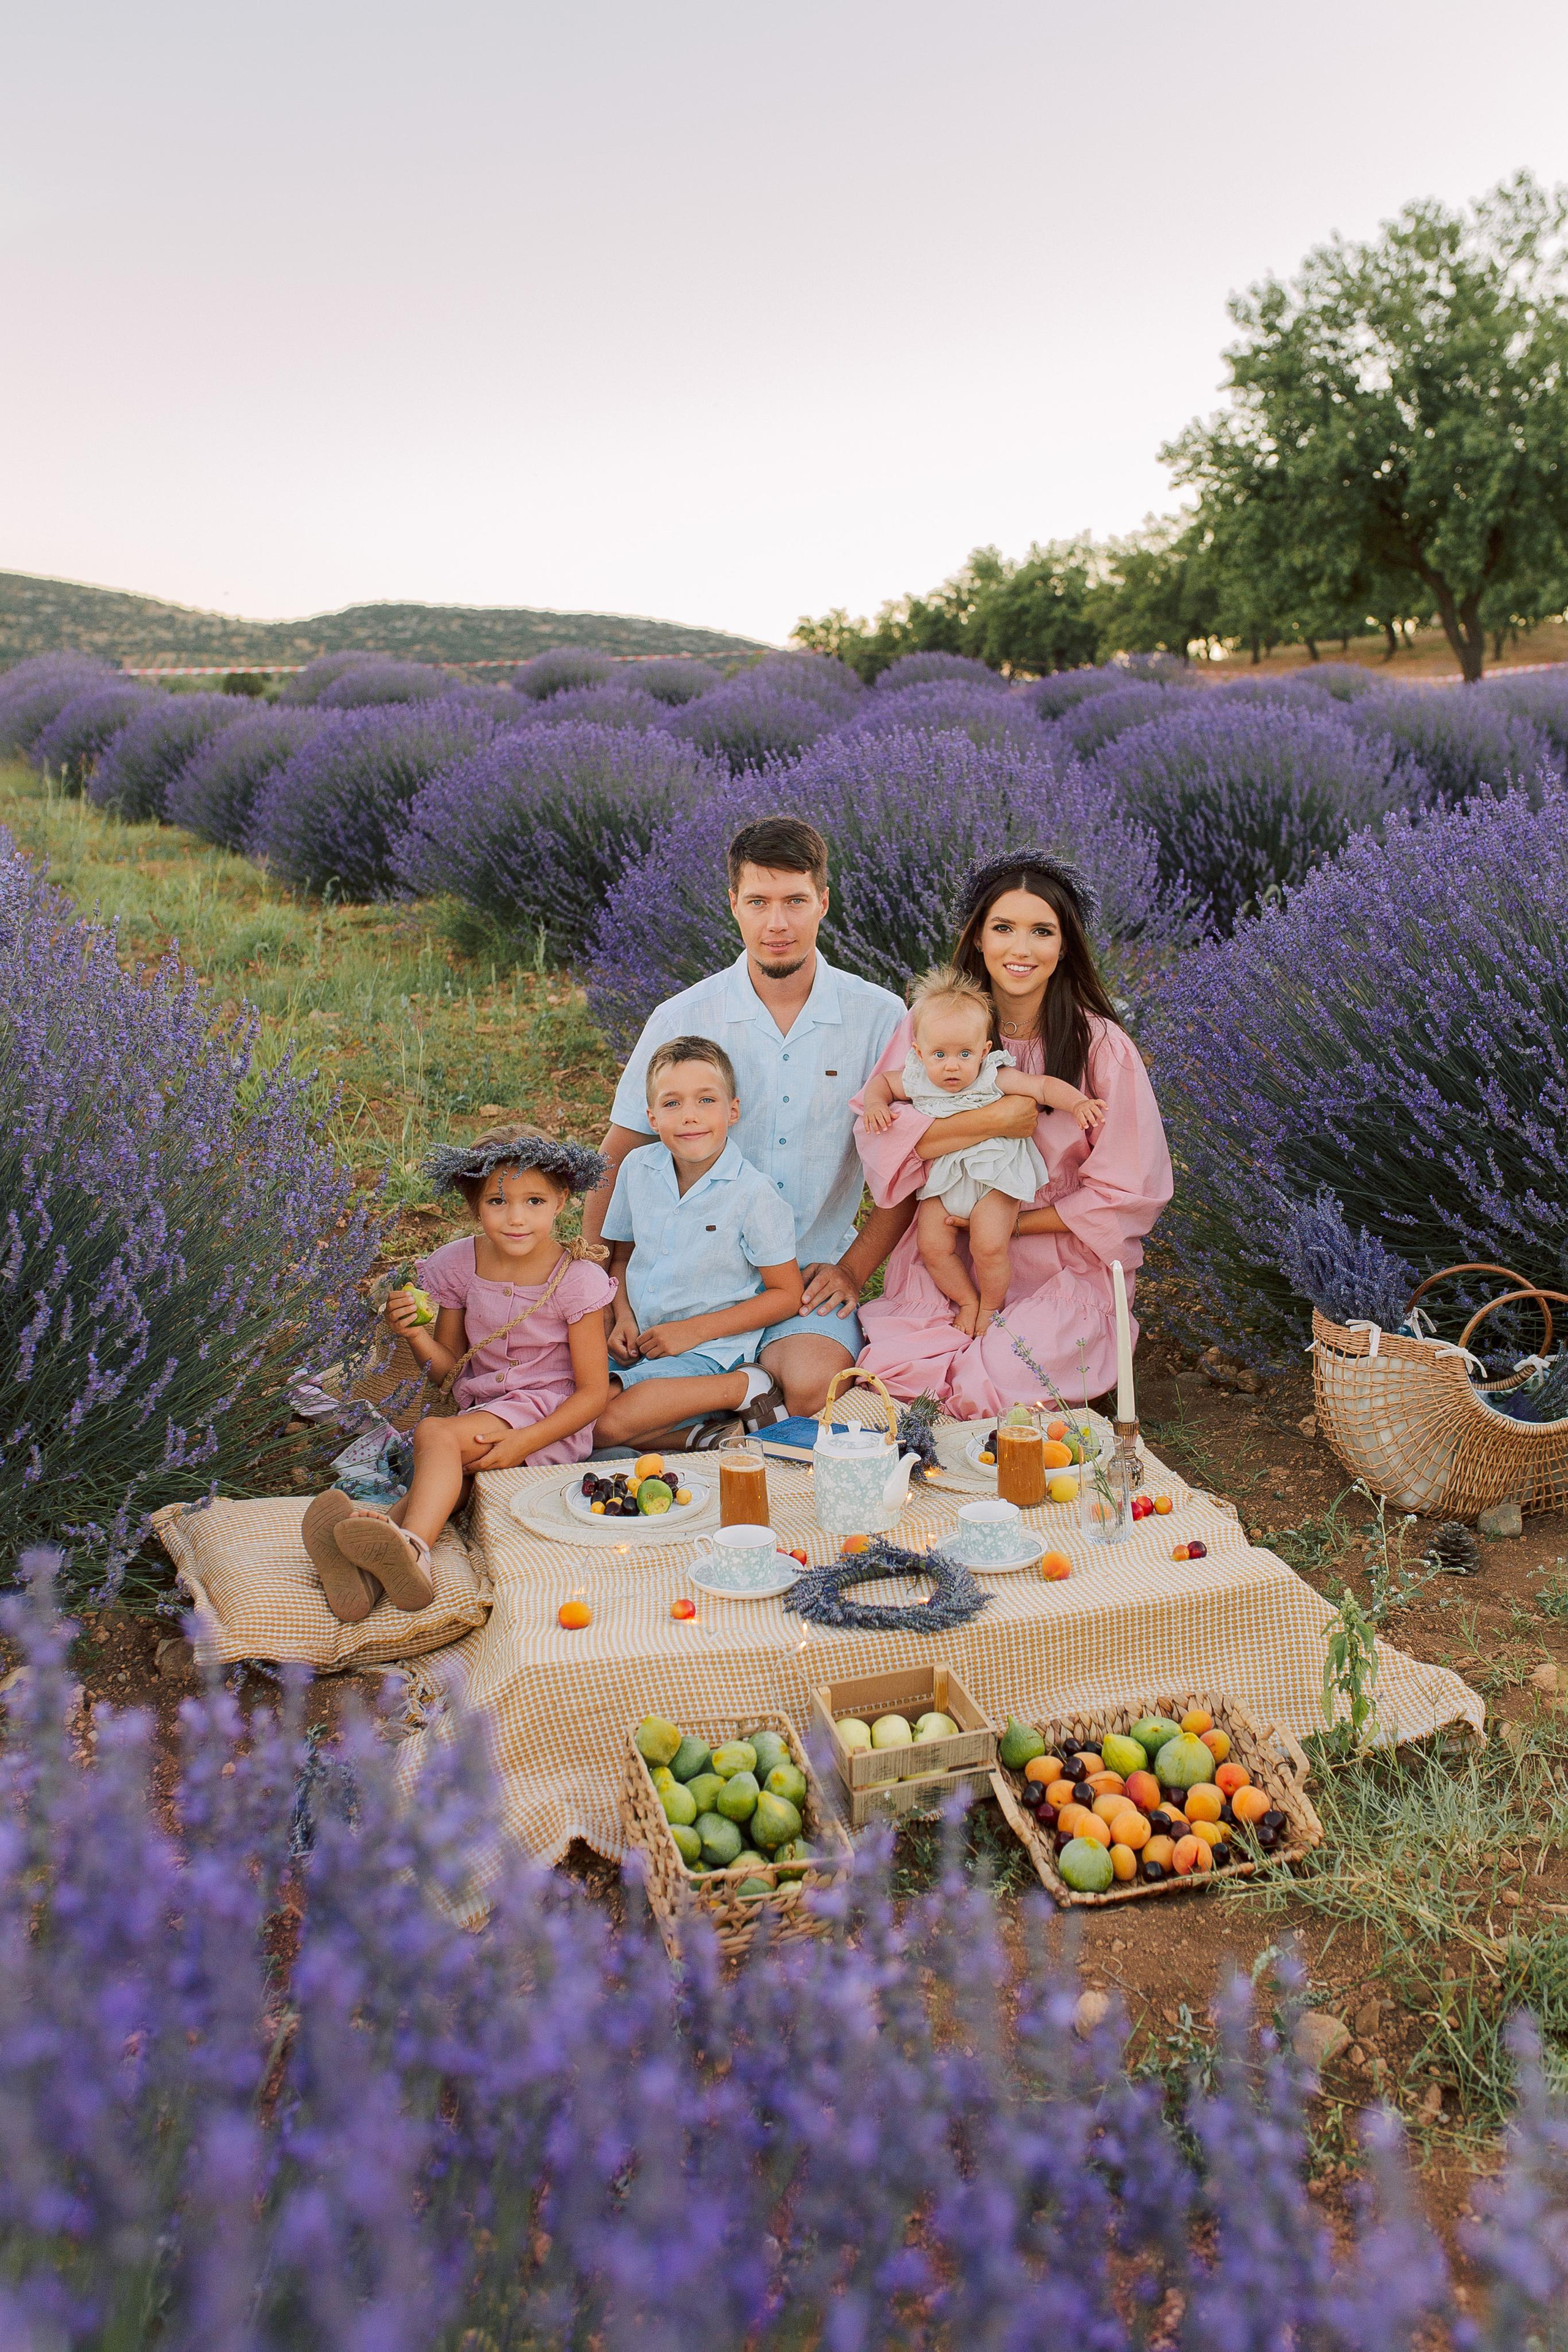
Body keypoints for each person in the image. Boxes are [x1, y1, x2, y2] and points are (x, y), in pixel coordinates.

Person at [581, 815, 908, 1420]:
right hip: (685, 1283)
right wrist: (597, 1283)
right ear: (733, 904)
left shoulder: (879, 1018)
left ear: (824, 903)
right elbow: (619, 1149)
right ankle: (730, 1401)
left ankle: (721, 1399)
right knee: (582, 1390)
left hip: (804, 1281)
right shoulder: (683, 1017)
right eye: (758, 901)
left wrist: (854, 1268)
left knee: (813, 1385)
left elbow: (913, 1168)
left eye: (795, 901)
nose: (777, 923)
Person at [853, 855, 1172, 1416]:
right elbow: (886, 1143)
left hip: (1062, 1263)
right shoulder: (935, 1030)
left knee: (995, 1376)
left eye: (1041, 932)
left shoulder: (1101, 1047)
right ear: (978, 937)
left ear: (1065, 945)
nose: (1020, 950)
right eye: (1003, 929)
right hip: (949, 1251)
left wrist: (1008, 1224)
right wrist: (987, 1123)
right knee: (904, 1374)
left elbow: (1127, 1191)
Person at [301, 1126, 614, 1623]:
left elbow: (594, 1394)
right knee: (445, 1484)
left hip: (547, 1424)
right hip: (483, 1417)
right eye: (497, 1201)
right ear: (474, 1205)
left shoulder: (577, 1280)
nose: (516, 1217)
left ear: (562, 1200)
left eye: (534, 1201)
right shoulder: (456, 1264)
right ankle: (365, 1578)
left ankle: (415, 1554)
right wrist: (415, 1335)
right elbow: (449, 1369)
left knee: (434, 1435)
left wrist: (526, 1441)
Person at [861, 965, 1105, 1338]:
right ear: (919, 1052)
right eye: (939, 1054)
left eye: (964, 1053)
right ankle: (968, 1299)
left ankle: (991, 1305)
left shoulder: (992, 1075)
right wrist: (876, 1104)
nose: (952, 1065)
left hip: (995, 1178)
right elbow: (881, 1082)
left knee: (989, 1246)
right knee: (932, 1246)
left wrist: (1077, 1103)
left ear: (984, 1051)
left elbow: (1041, 1087)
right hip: (944, 1181)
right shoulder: (917, 1078)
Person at [594, 1036, 803, 1446]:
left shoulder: (753, 1194)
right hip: (641, 1342)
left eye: (706, 1100)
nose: (690, 1116)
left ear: (733, 1110)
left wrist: (692, 1331)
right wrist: (621, 1315)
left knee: (599, 1422)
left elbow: (787, 1294)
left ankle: (744, 1389)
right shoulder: (637, 1168)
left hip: (710, 1354)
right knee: (563, 1403)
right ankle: (701, 1437)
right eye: (672, 1104)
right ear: (652, 1118)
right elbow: (620, 1259)